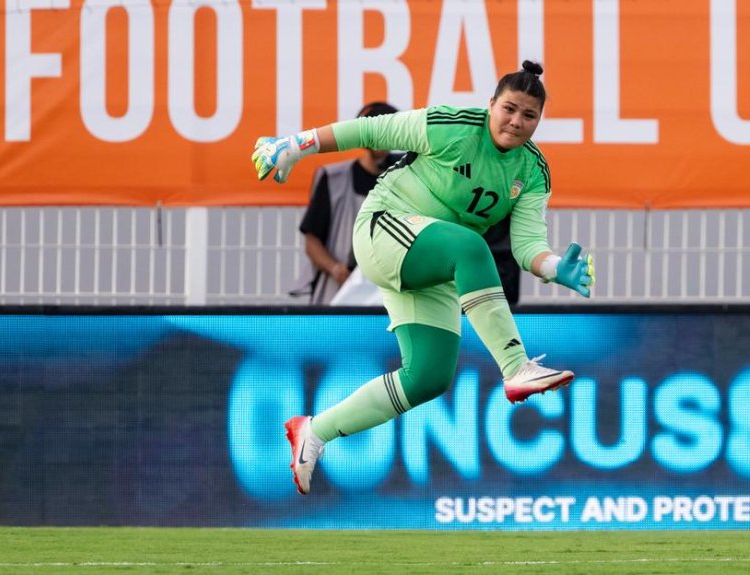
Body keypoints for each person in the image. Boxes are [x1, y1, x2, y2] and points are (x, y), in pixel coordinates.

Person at [252, 60, 595, 495]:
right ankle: (516, 368)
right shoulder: (450, 124)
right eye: (509, 108)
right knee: (472, 246)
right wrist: (296, 144)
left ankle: (314, 432)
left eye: (529, 115)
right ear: (490, 105)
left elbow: (527, 245)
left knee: (428, 377)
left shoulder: (532, 172)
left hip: (435, 259)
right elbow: (370, 132)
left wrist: (553, 267)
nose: (517, 121)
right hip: (384, 226)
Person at [292, 102, 401, 305]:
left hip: (386, 296)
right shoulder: (334, 178)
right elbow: (312, 242)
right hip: (338, 295)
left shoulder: (402, 178)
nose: (385, 144)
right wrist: (336, 268)